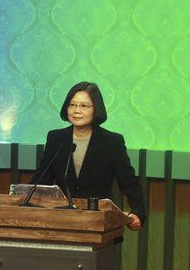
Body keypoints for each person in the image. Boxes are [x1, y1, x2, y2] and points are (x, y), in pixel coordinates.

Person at [31, 81, 144, 230]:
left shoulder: (111, 142)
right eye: (72, 105)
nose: (77, 110)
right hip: (60, 221)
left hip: (98, 223)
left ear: (96, 109)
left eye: (84, 106)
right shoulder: (56, 138)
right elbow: (41, 179)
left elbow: (128, 181)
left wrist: (138, 212)